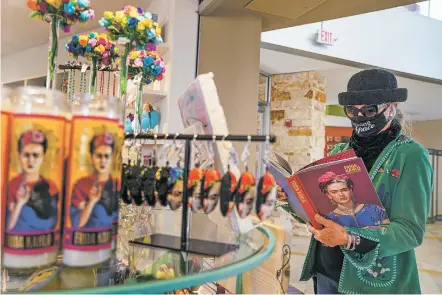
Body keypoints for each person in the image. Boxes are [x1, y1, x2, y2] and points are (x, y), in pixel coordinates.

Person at [279, 69, 433, 294]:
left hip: (371, 282)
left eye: (370, 109)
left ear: (392, 107)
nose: (360, 116)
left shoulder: (410, 155)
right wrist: (291, 197)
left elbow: (410, 231)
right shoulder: (342, 150)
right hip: (326, 271)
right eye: (352, 110)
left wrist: (350, 238)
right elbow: (321, 209)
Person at [7, 130, 58, 232]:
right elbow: (9, 226)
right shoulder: (13, 185)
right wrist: (20, 203)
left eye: (36, 155)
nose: (30, 161)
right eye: (26, 155)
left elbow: (55, 221)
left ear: (43, 157)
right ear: (19, 156)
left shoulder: (51, 186)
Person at [70, 133, 118, 229]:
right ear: (91, 157)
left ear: (112, 157)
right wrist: (91, 202)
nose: (103, 161)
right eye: (98, 156)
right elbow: (77, 225)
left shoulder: (117, 184)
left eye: (107, 156)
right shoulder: (81, 185)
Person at [318, 171, 390, 227]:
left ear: (351, 189)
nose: (341, 194)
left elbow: (388, 233)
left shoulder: (374, 209)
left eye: (344, 190)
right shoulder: (330, 219)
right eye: (334, 192)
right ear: (329, 195)